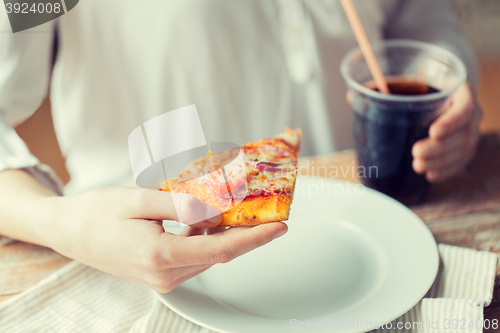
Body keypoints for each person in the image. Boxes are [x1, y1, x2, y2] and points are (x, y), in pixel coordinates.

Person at [0, 0, 481, 293]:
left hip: (365, 239)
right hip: (132, 266)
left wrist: (447, 81)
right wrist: (60, 222)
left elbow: (419, 18)